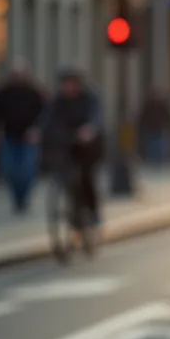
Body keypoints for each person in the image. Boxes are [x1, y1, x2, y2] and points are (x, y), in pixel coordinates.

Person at [40, 66, 105, 228]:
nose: (68, 87)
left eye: (71, 83)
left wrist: (90, 129)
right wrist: (38, 131)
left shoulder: (90, 98)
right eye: (65, 83)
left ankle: (93, 211)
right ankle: (72, 210)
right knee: (64, 174)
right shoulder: (57, 100)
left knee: (86, 176)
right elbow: (47, 119)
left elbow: (96, 116)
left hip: (87, 146)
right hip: (66, 143)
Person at [0, 57, 46, 214]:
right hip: (9, 136)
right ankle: (17, 198)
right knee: (9, 170)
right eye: (14, 74)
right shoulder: (2, 93)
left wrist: (37, 130)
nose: (17, 77)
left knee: (27, 170)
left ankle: (23, 198)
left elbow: (45, 114)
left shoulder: (35, 93)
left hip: (28, 139)